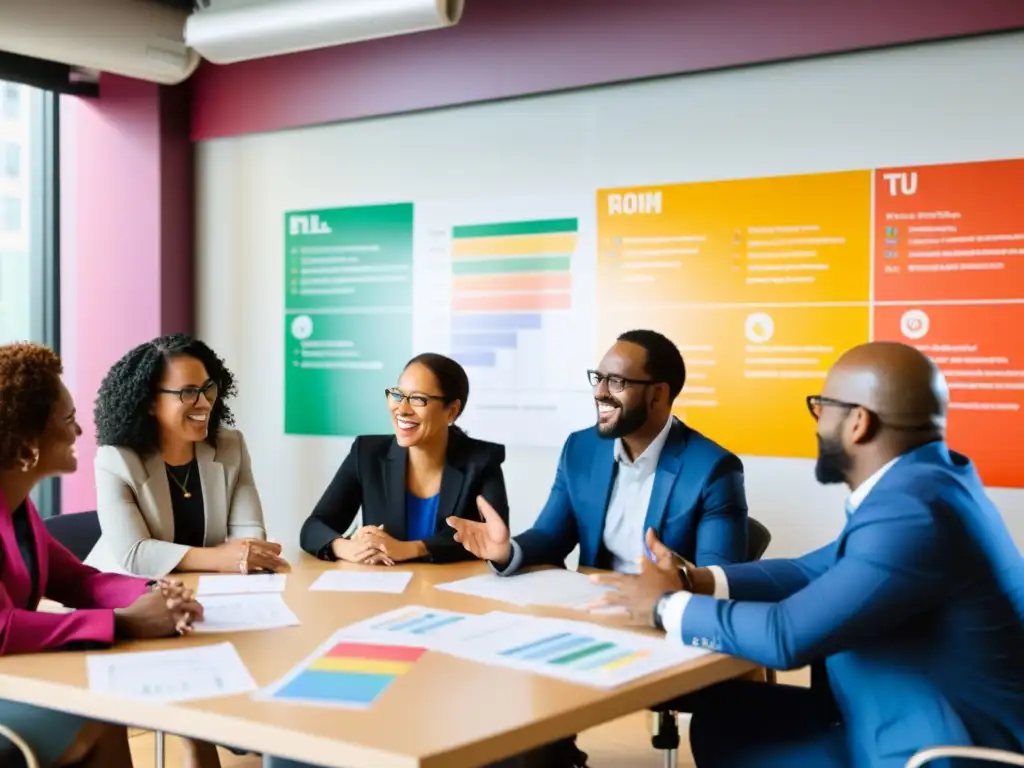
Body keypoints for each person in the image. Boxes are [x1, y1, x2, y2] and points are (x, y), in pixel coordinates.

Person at [593, 341, 1024, 768]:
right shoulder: (927, 485)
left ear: (858, 423)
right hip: (882, 712)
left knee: (729, 730)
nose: (817, 426)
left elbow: (787, 637)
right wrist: (695, 579)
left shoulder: (914, 514)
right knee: (723, 718)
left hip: (923, 751)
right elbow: (811, 569)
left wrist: (664, 606)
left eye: (822, 408)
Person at [449, 328, 749, 767]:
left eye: (618, 382)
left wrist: (673, 581)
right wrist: (505, 550)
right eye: (599, 378)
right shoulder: (581, 448)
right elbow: (551, 538)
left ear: (659, 394)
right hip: (590, 617)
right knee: (505, 700)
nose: (601, 393)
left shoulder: (713, 468)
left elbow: (722, 574)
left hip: (661, 627)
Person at [0, 342, 205, 768]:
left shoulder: (18, 508)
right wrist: (126, 621)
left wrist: (157, 591)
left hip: (15, 678)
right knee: (100, 713)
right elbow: (2, 627)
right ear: (26, 442)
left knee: (106, 706)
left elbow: (78, 580)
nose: (79, 433)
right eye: (68, 420)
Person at [87, 333, 287, 578]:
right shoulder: (116, 460)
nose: (204, 403)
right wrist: (220, 557)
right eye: (189, 392)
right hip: (130, 594)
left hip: (209, 588)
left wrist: (238, 556)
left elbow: (249, 536)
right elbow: (135, 553)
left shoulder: (230, 447)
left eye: (207, 389)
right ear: (150, 402)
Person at [300, 352, 508, 565]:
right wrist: (346, 547)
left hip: (453, 590)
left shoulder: (482, 461)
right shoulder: (367, 453)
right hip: (386, 591)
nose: (402, 409)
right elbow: (314, 527)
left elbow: (492, 540)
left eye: (418, 399)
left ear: (451, 412)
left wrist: (409, 549)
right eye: (398, 395)